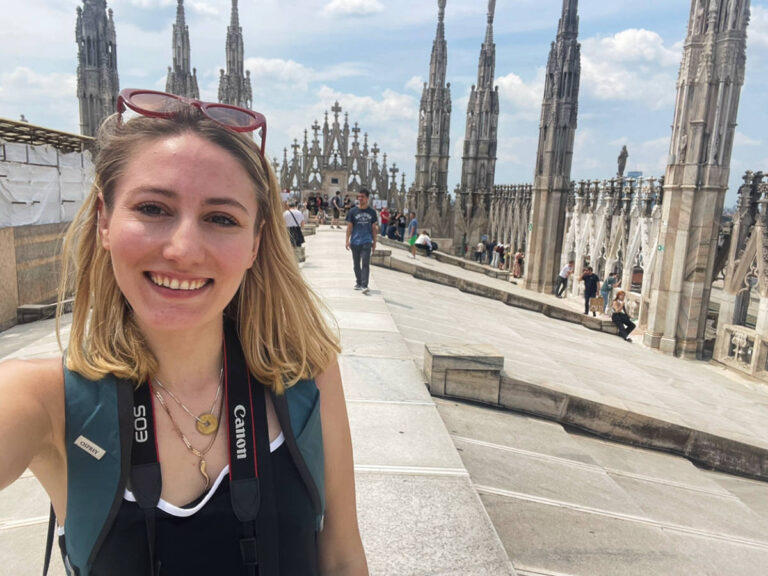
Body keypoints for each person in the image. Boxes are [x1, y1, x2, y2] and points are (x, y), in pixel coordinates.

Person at [0, 89, 368, 576]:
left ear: (256, 243)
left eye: (221, 218)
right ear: (104, 221)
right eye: (153, 208)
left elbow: (342, 560)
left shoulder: (305, 376)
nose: (183, 249)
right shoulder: (45, 400)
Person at [345, 188, 378, 294]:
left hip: (367, 241)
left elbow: (374, 228)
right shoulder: (352, 211)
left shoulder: (372, 212)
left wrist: (374, 243)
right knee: (356, 264)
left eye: (362, 197)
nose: (360, 199)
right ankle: (358, 282)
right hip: (355, 241)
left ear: (367, 198)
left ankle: (364, 284)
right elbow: (349, 227)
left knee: (365, 263)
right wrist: (347, 240)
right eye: (358, 197)